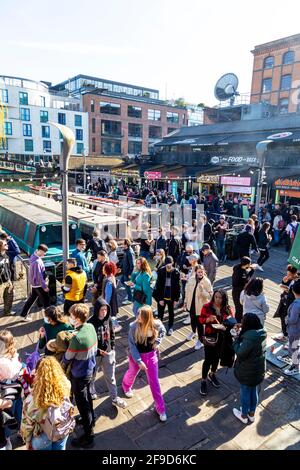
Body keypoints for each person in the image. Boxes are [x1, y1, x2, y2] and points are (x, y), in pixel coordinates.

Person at [122, 306, 167, 422]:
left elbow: (163, 331)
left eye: (140, 316)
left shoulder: (156, 324)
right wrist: (139, 361)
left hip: (151, 356)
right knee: (132, 372)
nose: (137, 317)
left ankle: (161, 409)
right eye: (137, 314)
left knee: (154, 382)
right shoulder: (133, 326)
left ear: (147, 317)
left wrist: (157, 342)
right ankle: (126, 386)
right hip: (136, 356)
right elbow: (132, 345)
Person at [62, 303, 97, 449]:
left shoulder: (77, 339)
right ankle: (90, 419)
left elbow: (68, 357)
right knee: (88, 396)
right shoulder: (90, 327)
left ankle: (89, 437)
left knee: (82, 404)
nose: (70, 318)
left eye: (71, 316)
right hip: (90, 369)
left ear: (77, 319)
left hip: (80, 374)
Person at [21, 356, 74, 450]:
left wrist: (27, 442)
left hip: (43, 436)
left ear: (38, 374)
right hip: (62, 428)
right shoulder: (66, 384)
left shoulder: (32, 400)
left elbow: (27, 426)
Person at [88, 298, 127, 407]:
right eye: (101, 310)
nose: (104, 312)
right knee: (92, 375)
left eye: (105, 309)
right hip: (95, 355)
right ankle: (91, 390)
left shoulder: (108, 319)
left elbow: (112, 333)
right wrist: (97, 351)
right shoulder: (90, 323)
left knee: (111, 377)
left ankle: (114, 398)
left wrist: (113, 348)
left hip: (108, 353)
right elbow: (88, 342)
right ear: (97, 310)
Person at [232, 313, 266, 424]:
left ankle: (243, 416)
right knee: (253, 391)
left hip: (247, 371)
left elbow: (240, 353)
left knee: (245, 391)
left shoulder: (250, 338)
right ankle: (251, 414)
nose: (241, 323)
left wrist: (235, 340)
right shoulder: (261, 334)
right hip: (258, 370)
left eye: (243, 321)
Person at [199, 289, 234, 396]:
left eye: (220, 298)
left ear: (224, 299)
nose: (218, 300)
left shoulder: (228, 309)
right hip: (210, 336)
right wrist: (208, 320)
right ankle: (203, 380)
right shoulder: (206, 307)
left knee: (216, 358)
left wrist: (228, 326)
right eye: (216, 297)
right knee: (208, 359)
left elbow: (232, 321)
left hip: (223, 337)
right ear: (213, 296)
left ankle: (212, 374)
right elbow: (200, 320)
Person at [184, 265, 213, 350]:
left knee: (200, 325)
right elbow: (187, 292)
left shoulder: (207, 282)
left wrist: (202, 290)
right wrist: (185, 302)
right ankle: (193, 332)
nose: (200, 273)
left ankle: (200, 340)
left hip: (200, 307)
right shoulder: (191, 279)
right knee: (192, 321)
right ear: (196, 272)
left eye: (202, 271)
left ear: (204, 272)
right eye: (198, 271)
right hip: (191, 305)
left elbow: (210, 296)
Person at [20, 244, 50, 321]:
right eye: (44, 252)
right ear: (40, 251)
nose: (45, 254)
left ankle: (23, 315)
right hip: (39, 285)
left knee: (31, 299)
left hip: (34, 284)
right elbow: (39, 276)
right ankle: (49, 319)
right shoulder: (37, 261)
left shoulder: (33, 257)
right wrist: (44, 287)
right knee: (46, 301)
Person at [153, 256, 180, 336]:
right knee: (160, 314)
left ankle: (170, 327)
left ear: (172, 263)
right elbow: (158, 286)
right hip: (162, 296)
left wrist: (176, 299)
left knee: (171, 313)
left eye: (170, 264)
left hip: (171, 297)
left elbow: (178, 286)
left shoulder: (176, 272)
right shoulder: (161, 271)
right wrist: (160, 299)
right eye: (167, 264)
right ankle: (159, 328)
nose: (168, 265)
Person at [274, 265, 298, 342]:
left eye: (290, 275)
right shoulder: (290, 279)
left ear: (295, 274)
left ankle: (286, 335)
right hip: (284, 299)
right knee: (282, 315)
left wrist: (289, 291)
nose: (288, 276)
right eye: (287, 274)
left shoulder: (297, 281)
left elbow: (296, 293)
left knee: (286, 317)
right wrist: (284, 281)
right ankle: (284, 333)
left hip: (291, 302)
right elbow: (287, 286)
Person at [282, 281, 300, 376]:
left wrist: (286, 319)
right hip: (297, 329)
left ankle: (295, 366)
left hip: (295, 329)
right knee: (295, 346)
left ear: (293, 291)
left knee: (294, 347)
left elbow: (292, 320)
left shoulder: (297, 304)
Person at [232, 257, 255, 323]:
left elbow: (247, 277)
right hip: (237, 292)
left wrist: (252, 270)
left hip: (241, 292)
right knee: (239, 309)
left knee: (241, 309)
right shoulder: (240, 272)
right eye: (249, 263)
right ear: (246, 264)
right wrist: (245, 285)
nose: (250, 264)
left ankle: (239, 322)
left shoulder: (239, 268)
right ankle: (237, 323)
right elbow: (236, 284)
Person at [102, 262, 121, 333]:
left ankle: (116, 328)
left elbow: (108, 295)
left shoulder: (108, 281)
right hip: (113, 302)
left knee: (111, 316)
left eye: (104, 268)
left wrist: (105, 305)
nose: (102, 269)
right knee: (113, 316)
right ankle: (115, 326)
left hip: (110, 303)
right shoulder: (112, 277)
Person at [0, 240, 14, 316]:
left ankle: (7, 311)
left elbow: (8, 269)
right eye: (5, 244)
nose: (7, 245)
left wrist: (10, 279)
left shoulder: (6, 256)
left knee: (9, 296)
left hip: (7, 281)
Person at [121, 239, 135, 305]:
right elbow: (123, 261)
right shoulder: (125, 251)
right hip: (124, 272)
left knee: (127, 285)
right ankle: (129, 291)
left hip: (127, 273)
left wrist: (130, 273)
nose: (122, 245)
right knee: (122, 281)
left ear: (126, 244)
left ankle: (130, 299)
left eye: (123, 243)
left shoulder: (130, 252)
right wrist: (120, 267)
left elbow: (132, 265)